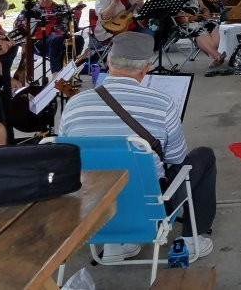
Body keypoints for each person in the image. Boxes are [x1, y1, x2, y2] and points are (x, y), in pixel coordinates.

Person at [60, 32, 216, 263]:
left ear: (108, 62)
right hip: (147, 206)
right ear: (146, 67)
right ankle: (192, 239)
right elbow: (176, 158)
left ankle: (115, 244)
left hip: (90, 207)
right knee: (203, 156)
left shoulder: (74, 104)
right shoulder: (162, 103)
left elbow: (67, 156)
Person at [155, 0, 225, 68]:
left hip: (199, 19)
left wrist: (205, 10)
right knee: (198, 28)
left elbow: (203, 6)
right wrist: (181, 14)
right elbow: (162, 12)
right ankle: (216, 55)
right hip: (179, 23)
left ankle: (213, 58)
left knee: (213, 24)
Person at [13, 0, 85, 73]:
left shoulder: (62, 8)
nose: (44, 0)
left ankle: (68, 70)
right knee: (56, 40)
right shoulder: (31, 8)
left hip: (60, 40)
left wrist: (76, 15)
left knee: (78, 39)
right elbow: (17, 26)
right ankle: (56, 75)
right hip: (39, 43)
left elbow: (74, 29)